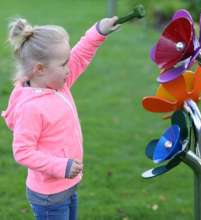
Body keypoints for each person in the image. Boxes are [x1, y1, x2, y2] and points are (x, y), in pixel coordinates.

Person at [1, 16, 120, 220]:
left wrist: (99, 31)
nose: (69, 68)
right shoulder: (31, 108)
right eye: (64, 64)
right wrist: (60, 167)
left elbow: (81, 54)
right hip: (49, 196)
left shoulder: (56, 84)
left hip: (67, 184)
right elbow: (22, 152)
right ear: (40, 69)